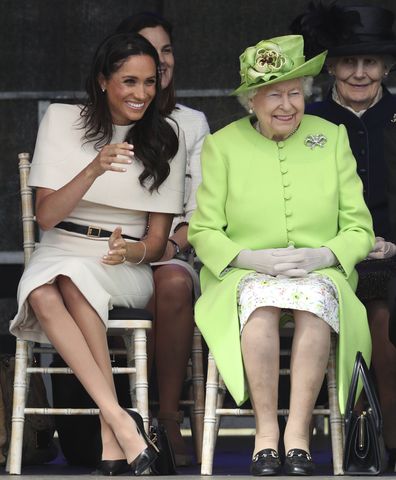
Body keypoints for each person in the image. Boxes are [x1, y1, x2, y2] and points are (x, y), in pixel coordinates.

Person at [188, 34, 374, 476]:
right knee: (261, 308)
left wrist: (324, 255)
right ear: (251, 100)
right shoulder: (222, 145)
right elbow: (204, 229)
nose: (287, 105)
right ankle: (266, 433)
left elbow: (359, 227)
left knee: (313, 308)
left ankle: (298, 436)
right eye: (274, 94)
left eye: (295, 93)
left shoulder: (331, 137)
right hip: (244, 273)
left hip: (320, 272)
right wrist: (250, 259)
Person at [9, 32, 186, 476]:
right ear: (104, 80)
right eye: (130, 81)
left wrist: (133, 249)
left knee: (67, 281)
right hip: (61, 248)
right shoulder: (62, 120)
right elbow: (46, 216)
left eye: (150, 82)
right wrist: (94, 167)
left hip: (122, 264)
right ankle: (121, 425)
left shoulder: (166, 136)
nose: (142, 93)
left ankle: (116, 429)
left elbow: (159, 243)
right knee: (46, 289)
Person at [291, 2, 396, 465]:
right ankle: (355, 440)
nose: (358, 73)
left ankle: (386, 440)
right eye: (348, 62)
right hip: (327, 257)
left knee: (387, 318)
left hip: (394, 255)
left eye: (369, 61)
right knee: (362, 313)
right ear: (331, 65)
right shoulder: (305, 121)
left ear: (386, 65)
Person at [116, 12, 210, 466]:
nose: (162, 60)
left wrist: (170, 246)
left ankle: (167, 417)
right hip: (111, 250)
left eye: (167, 50)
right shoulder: (104, 119)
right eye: (151, 51)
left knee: (170, 281)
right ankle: (123, 417)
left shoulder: (192, 123)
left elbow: (203, 206)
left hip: (174, 248)